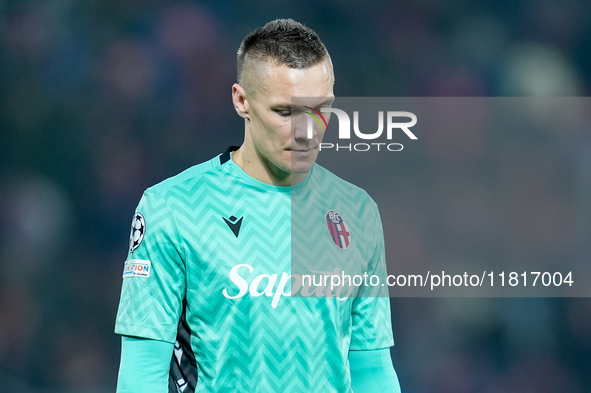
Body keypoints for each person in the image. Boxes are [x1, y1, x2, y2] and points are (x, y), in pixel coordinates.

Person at [115, 18, 401, 393]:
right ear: (241, 101)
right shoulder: (173, 207)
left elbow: (372, 369)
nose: (307, 131)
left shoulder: (356, 210)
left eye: (321, 109)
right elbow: (142, 372)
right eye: (285, 111)